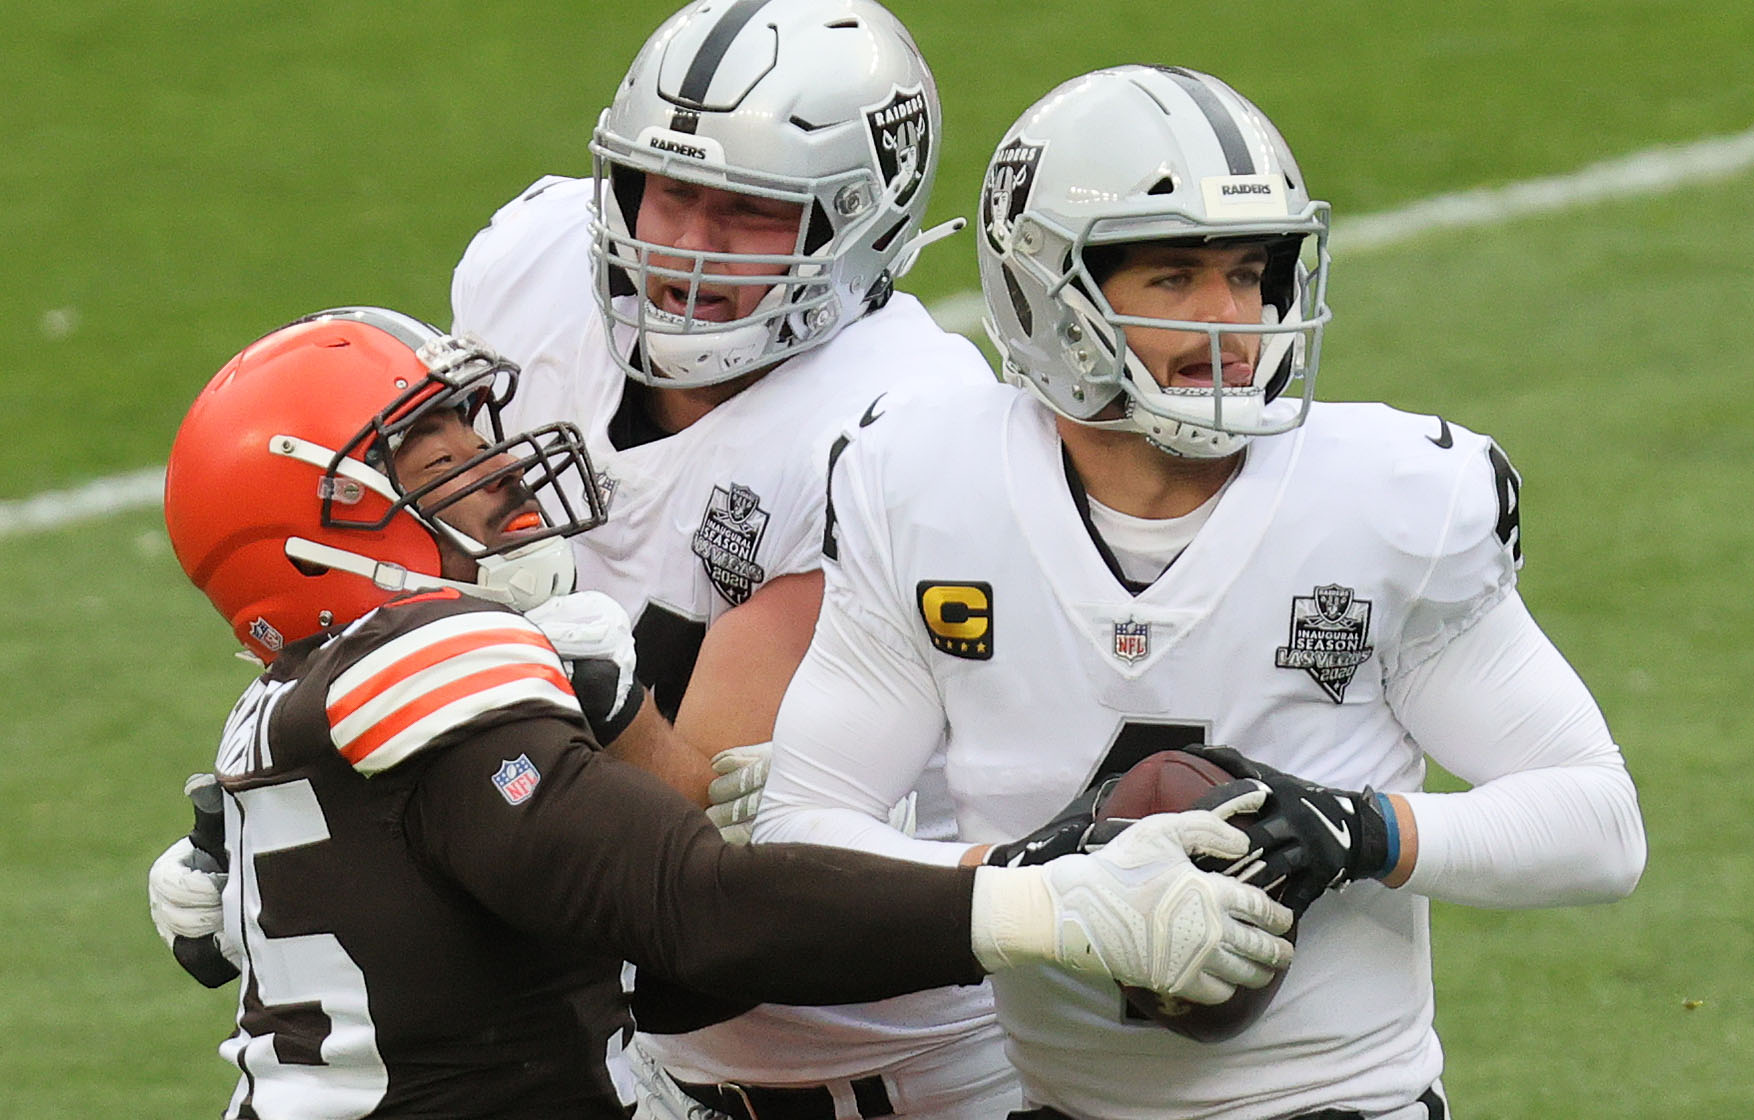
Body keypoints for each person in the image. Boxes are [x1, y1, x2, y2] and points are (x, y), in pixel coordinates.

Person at [755, 65, 1648, 1120]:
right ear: (1045, 290)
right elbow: (798, 835)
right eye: (1174, 279)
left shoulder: (1392, 498)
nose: (1232, 319)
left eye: (1248, 271)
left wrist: (1363, 831)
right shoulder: (920, 484)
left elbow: (1597, 825)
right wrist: (1039, 884)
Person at [155, 305, 1296, 1120]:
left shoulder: (286, 711)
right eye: (429, 451)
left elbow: (636, 952)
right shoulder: (428, 660)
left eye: (473, 429)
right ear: (307, 532)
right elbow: (693, 910)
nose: (495, 466)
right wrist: (1046, 904)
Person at [445, 1, 1015, 1115]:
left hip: (898, 1057)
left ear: (858, 224)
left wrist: (566, 656)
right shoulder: (531, 267)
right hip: (651, 1050)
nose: (686, 246)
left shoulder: (902, 421)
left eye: (748, 210)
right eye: (670, 189)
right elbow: (394, 561)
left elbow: (699, 835)